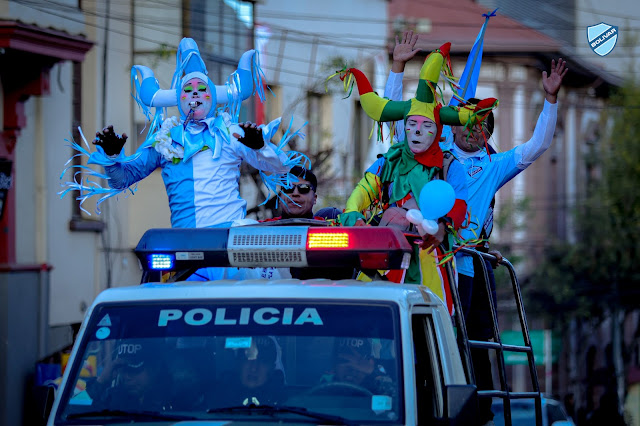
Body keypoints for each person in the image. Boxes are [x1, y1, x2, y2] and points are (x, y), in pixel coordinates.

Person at [385, 31, 567, 426]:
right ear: (455, 123)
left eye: (482, 124)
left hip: (470, 261)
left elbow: (537, 145)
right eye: (468, 120)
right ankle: (425, 405)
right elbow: (401, 127)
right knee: (430, 335)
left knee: (478, 338)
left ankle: (479, 410)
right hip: (426, 257)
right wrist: (397, 69)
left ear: (488, 132)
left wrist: (550, 99)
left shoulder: (495, 164)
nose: (473, 129)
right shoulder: (435, 153)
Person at [61, 37, 306, 229]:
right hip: (186, 245)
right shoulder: (164, 139)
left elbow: (281, 168)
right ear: (179, 99)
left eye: (202, 89)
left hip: (229, 239)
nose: (196, 94)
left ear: (213, 96)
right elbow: (121, 180)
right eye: (188, 90)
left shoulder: (230, 133)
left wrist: (259, 146)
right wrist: (113, 157)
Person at [336, 41, 497, 313]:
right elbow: (363, 190)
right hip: (386, 253)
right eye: (411, 124)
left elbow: (459, 204)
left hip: (430, 257)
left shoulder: (449, 165)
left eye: (426, 125)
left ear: (439, 131)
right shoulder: (390, 161)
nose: (418, 131)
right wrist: (354, 214)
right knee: (370, 318)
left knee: (430, 327)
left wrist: (444, 226)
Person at [83, 341, 168, 411]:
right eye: (123, 370)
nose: (127, 377)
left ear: (155, 368)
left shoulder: (175, 400)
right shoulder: (111, 398)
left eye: (134, 370)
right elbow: (74, 412)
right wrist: (100, 382)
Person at [210, 336, 286, 408]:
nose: (253, 368)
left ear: (272, 369)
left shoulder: (287, 404)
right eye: (248, 359)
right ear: (238, 364)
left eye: (263, 361)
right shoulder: (213, 402)